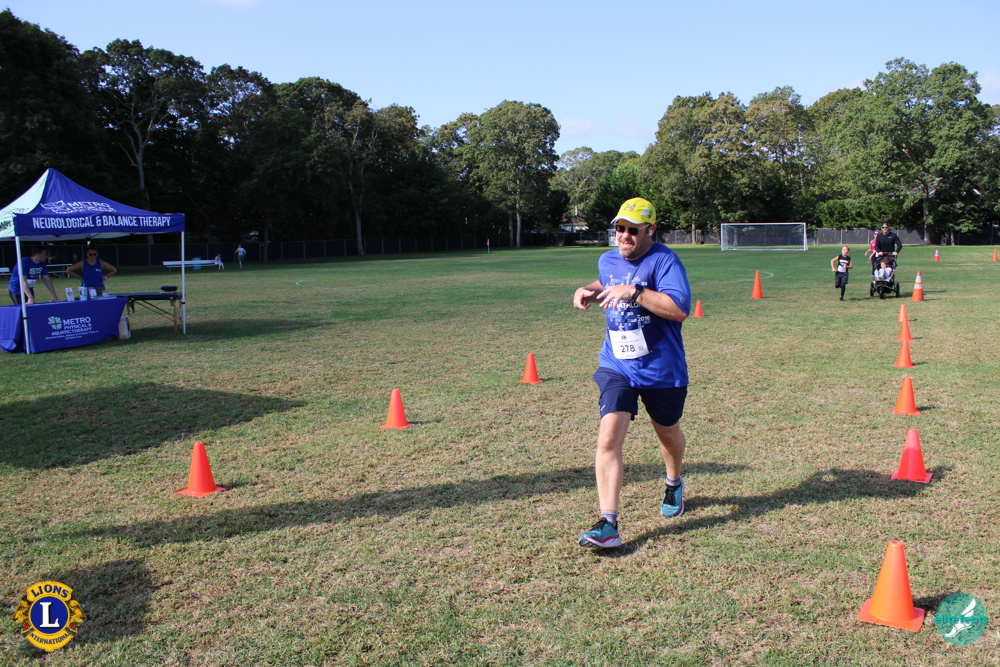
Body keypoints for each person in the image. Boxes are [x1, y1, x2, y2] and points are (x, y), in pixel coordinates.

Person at [572, 197, 691, 549]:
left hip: (661, 369)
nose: (624, 236)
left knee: (667, 434)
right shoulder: (608, 259)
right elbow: (606, 280)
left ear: (650, 230)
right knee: (608, 435)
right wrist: (588, 290)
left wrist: (635, 292)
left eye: (632, 230)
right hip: (617, 364)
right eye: (619, 228)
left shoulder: (665, 261)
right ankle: (608, 523)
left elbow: (679, 308)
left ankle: (673, 482)